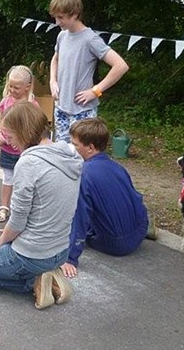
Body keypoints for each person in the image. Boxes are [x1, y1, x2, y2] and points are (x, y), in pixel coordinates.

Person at [0, 102, 82, 309]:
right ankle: (48, 276)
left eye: (10, 137)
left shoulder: (29, 163)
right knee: (9, 245)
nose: (10, 144)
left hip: (33, 254)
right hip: (61, 250)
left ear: (23, 132)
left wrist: (3, 239)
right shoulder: (69, 156)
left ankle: (34, 282)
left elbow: (18, 220)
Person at [61, 118, 149, 278]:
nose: (72, 148)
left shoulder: (84, 174)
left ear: (90, 147)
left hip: (116, 244)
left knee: (69, 222)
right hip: (141, 230)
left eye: (75, 144)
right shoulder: (117, 167)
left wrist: (70, 258)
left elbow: (81, 217)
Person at [48, 0, 129, 143]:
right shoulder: (62, 36)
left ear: (75, 14)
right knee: (62, 155)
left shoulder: (90, 39)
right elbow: (55, 59)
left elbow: (120, 66)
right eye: (55, 18)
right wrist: (53, 81)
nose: (57, 22)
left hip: (82, 111)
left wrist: (96, 91)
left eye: (61, 18)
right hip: (61, 108)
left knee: (82, 156)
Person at [0, 65, 39, 223]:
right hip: (7, 148)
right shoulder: (6, 101)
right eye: (10, 86)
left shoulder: (32, 105)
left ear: (27, 87)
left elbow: (35, 129)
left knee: (24, 180)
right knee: (8, 177)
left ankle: (23, 209)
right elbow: (0, 120)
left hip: (24, 151)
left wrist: (23, 141)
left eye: (16, 87)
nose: (12, 90)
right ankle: (4, 207)